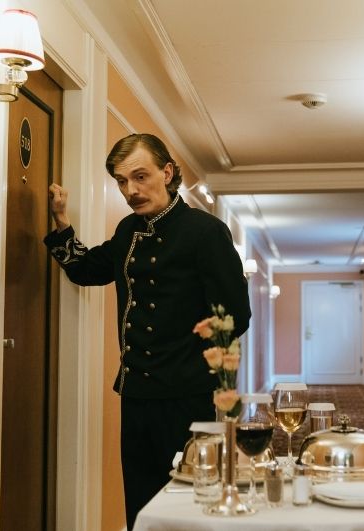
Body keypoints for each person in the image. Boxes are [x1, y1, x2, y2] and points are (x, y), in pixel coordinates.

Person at [44, 133, 251, 529]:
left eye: (140, 177)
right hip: (136, 392)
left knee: (191, 503)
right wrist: (61, 222)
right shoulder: (127, 231)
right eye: (121, 181)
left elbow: (235, 316)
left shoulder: (205, 232)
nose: (131, 190)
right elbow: (89, 270)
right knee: (142, 503)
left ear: (167, 172)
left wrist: (189, 354)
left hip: (188, 396)